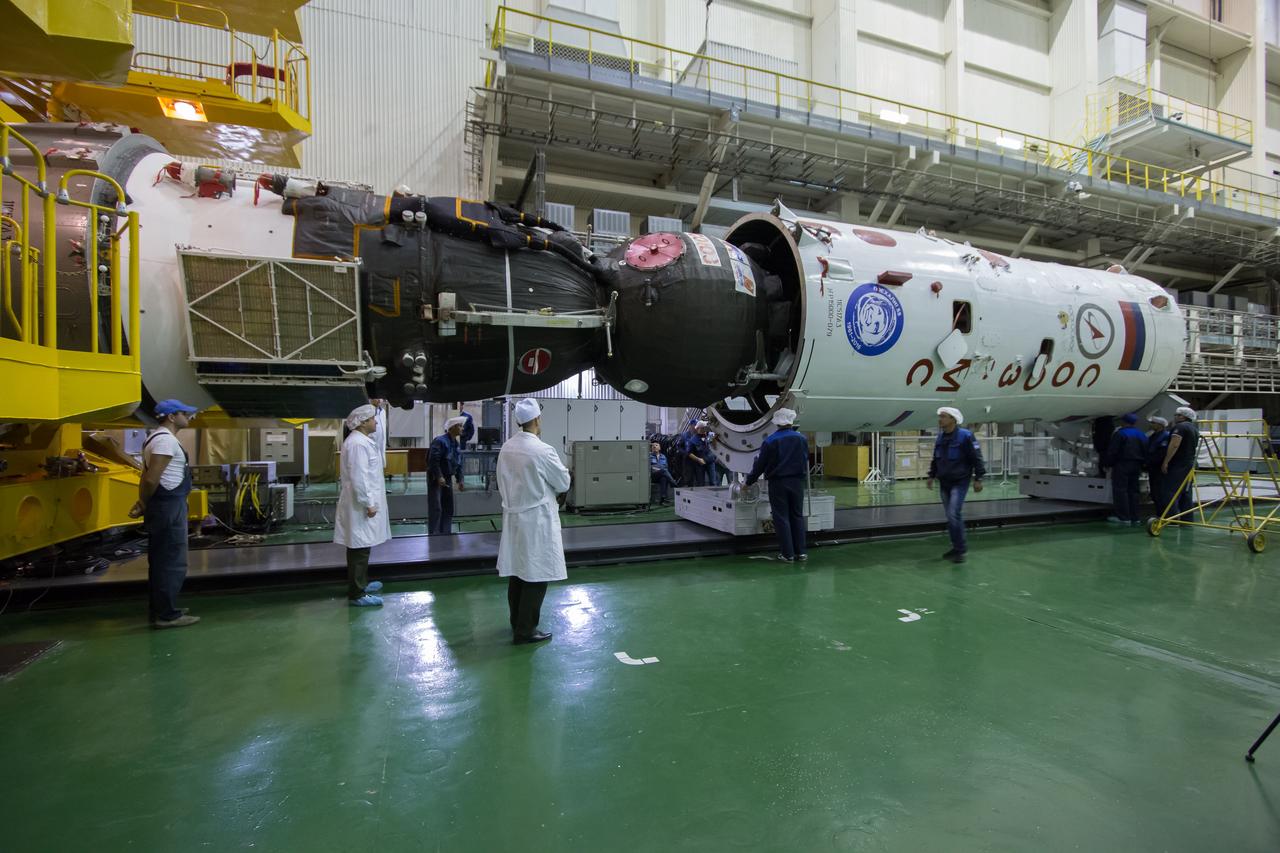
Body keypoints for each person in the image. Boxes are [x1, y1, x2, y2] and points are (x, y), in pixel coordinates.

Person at [497, 399, 572, 645]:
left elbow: (500, 481)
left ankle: (516, 621)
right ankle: (526, 630)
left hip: (514, 517)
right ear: (537, 419)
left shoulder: (507, 448)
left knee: (517, 571)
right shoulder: (542, 450)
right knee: (536, 573)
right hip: (537, 519)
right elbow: (563, 482)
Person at [129, 398, 200, 629]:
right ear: (171, 416)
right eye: (184, 413)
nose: (188, 417)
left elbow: (146, 476)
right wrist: (143, 501)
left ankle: (162, 608)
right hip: (168, 505)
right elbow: (151, 478)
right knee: (171, 561)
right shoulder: (165, 442)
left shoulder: (156, 439)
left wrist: (142, 503)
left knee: (162, 559)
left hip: (165, 503)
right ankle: (167, 615)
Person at [335, 404, 391, 607]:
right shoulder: (358, 444)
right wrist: (368, 503)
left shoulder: (361, 441)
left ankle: (361, 584)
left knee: (362, 546)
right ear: (364, 422)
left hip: (361, 503)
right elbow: (359, 477)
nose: (376, 422)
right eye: (373, 419)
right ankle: (357, 593)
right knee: (358, 548)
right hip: (360, 505)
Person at [745, 408, 810, 563]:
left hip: (778, 483)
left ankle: (787, 554)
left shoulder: (770, 441)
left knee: (781, 517)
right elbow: (805, 459)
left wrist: (748, 482)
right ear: (791, 421)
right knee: (797, 516)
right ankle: (801, 552)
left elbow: (760, 465)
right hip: (797, 482)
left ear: (777, 423)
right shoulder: (802, 439)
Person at [926, 407, 986, 564]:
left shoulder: (965, 436)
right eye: (940, 417)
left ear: (953, 419)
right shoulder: (940, 438)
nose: (940, 420)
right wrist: (931, 475)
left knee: (953, 514)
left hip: (959, 482)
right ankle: (956, 547)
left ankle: (961, 549)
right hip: (944, 482)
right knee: (950, 517)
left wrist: (978, 478)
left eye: (943, 417)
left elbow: (976, 457)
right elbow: (936, 459)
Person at [427, 411, 474, 535]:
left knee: (448, 507)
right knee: (436, 507)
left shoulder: (455, 444)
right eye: (460, 426)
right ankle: (434, 535)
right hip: (436, 479)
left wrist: (460, 480)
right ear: (453, 428)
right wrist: (439, 476)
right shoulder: (440, 441)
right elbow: (433, 461)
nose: (462, 429)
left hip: (447, 478)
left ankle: (445, 533)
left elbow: (458, 463)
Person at [1105, 413, 1148, 526]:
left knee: (1120, 490)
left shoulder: (1120, 434)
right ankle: (1135, 517)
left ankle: (1123, 517)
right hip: (1137, 465)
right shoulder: (1141, 434)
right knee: (1134, 491)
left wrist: (1107, 464)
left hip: (1122, 465)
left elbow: (1113, 451)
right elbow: (1146, 451)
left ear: (1123, 422)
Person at [1161, 406, 1201, 518]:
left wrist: (1166, 461)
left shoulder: (1180, 427)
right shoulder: (1194, 428)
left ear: (1182, 416)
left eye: (1176, 415)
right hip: (1190, 462)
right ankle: (1187, 518)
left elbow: (1174, 444)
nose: (1175, 417)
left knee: (1171, 491)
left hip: (1179, 464)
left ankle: (1172, 518)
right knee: (1186, 491)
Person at [1146, 415, 1171, 515]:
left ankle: (1163, 514)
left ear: (1160, 425)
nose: (1151, 425)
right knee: (1155, 492)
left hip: (1158, 468)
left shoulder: (1165, 436)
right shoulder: (1153, 436)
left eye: (1153, 423)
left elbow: (1161, 453)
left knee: (1160, 491)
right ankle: (1159, 512)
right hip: (1152, 468)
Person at [679, 420, 711, 486]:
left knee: (700, 479)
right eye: (694, 425)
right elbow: (679, 447)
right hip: (688, 461)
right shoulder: (684, 435)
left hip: (699, 460)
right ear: (690, 425)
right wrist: (685, 453)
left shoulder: (701, 435)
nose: (695, 427)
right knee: (690, 479)